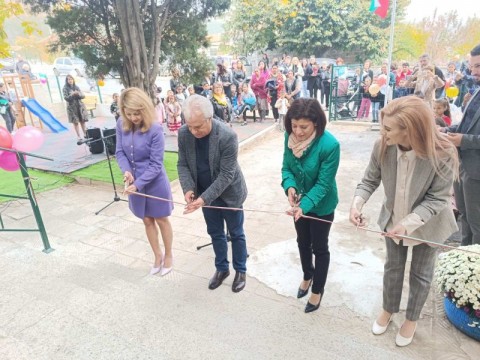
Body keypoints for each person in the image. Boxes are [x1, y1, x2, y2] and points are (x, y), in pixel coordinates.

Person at [350, 96, 458, 346]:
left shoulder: (442, 152)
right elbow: (369, 180)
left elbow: (437, 199)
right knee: (393, 268)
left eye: (388, 128)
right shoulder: (382, 146)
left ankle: (412, 319)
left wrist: (408, 224)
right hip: (393, 218)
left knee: (421, 273)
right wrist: (357, 203)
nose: (383, 132)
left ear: (409, 130)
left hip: (427, 223)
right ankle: (389, 309)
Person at [177, 94, 248, 292]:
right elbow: (182, 164)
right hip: (203, 193)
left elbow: (227, 175)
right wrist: (189, 188)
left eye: (198, 126)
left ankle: (240, 270)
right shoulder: (184, 134)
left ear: (210, 118)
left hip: (230, 193)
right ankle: (221, 268)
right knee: (215, 233)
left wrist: (203, 199)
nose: (193, 131)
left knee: (236, 233)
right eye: (190, 125)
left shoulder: (227, 135)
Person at [281, 98, 340, 313]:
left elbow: (324, 184)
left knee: (319, 247)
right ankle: (307, 274)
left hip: (321, 205)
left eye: (303, 127)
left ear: (316, 123)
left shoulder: (330, 145)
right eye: (294, 126)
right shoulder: (289, 138)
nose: (297, 132)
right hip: (299, 204)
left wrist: (304, 205)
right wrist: (290, 187)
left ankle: (318, 289)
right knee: (302, 241)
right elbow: (286, 168)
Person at [115, 88, 174, 276]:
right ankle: (157, 255)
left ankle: (170, 254)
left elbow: (156, 164)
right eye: (129, 113)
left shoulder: (155, 129)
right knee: (147, 220)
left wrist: (138, 184)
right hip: (133, 181)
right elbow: (120, 152)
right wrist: (126, 171)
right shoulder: (120, 124)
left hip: (154, 182)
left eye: (136, 113)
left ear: (144, 109)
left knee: (161, 219)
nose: (133, 117)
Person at [442, 44, 480, 245]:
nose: (473, 72)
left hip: (476, 171)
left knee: (476, 223)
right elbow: (467, 124)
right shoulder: (476, 91)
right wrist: (449, 130)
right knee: (464, 217)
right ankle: (464, 257)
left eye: (478, 66)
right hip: (463, 165)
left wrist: (463, 140)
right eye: (472, 66)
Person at [63, 75, 89, 141]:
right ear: (67, 81)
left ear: (73, 80)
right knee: (75, 122)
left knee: (82, 121)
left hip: (80, 107)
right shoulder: (65, 88)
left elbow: (83, 96)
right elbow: (66, 98)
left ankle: (85, 134)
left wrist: (78, 94)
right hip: (72, 108)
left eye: (71, 79)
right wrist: (72, 94)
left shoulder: (76, 87)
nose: (70, 80)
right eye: (68, 79)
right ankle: (78, 136)